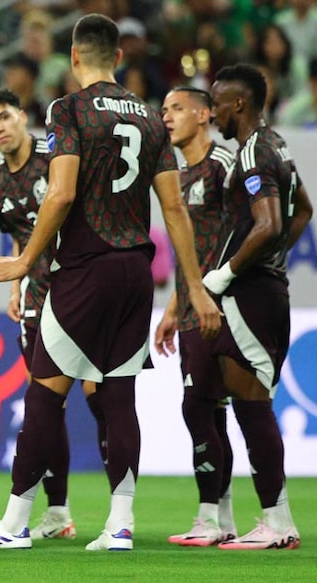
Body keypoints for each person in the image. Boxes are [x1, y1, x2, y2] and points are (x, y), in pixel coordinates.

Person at [0, 14, 221, 552]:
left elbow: (58, 195)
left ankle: (13, 526)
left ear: (75, 58)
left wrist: (24, 262)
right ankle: (119, 526)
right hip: (136, 273)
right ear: (119, 58)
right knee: (119, 398)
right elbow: (174, 209)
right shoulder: (152, 118)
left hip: (84, 268)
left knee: (42, 396)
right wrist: (192, 287)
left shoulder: (67, 109)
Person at [203, 64, 311, 549]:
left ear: (239, 104)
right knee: (244, 397)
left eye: (217, 103)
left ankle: (277, 522)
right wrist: (272, 258)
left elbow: (267, 223)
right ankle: (276, 519)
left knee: (251, 402)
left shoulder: (249, 153)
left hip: (251, 294)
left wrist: (231, 271)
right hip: (265, 289)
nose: (212, 114)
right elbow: (303, 208)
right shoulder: (275, 145)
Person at [0, 87, 75, 541]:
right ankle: (59, 512)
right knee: (45, 405)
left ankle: (120, 518)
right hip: (36, 297)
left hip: (77, 288)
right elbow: (19, 240)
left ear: (22, 115)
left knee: (96, 397)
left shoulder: (56, 157)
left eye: (4, 117)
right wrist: (15, 287)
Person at [152, 87, 238, 547]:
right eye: (164, 110)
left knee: (199, 406)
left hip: (221, 308)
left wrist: (214, 291)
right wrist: (171, 308)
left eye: (178, 109)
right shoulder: (178, 178)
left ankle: (210, 516)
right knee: (210, 411)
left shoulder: (224, 166)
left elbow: (243, 234)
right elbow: (192, 253)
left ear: (204, 115)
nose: (168, 117)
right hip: (189, 310)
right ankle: (222, 517)